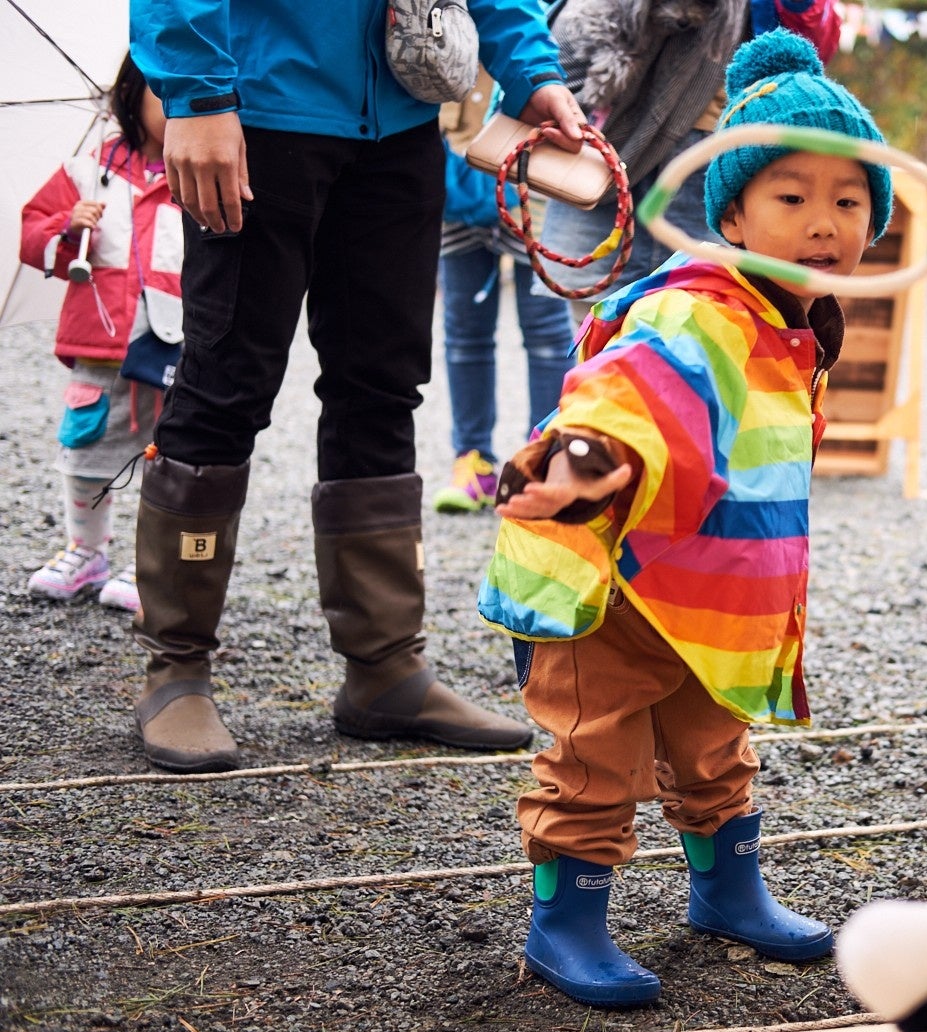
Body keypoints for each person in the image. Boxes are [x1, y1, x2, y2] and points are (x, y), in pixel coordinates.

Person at [475, 29, 893, 1005]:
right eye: (792, 198)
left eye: (847, 200)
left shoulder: (792, 318)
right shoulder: (697, 306)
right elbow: (628, 391)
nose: (824, 221)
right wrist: (587, 462)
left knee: (713, 745)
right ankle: (564, 926)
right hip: (618, 585)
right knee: (593, 755)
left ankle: (727, 890)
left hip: (706, 593)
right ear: (734, 217)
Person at [126, 0, 588, 774]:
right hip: (255, 111)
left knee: (383, 384)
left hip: (400, 122)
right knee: (223, 384)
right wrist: (198, 96)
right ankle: (175, 669)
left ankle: (384, 667)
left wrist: (531, 70)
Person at [536, 0, 841, 321]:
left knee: (708, 316)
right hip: (616, 129)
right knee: (596, 317)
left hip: (716, 149)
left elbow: (813, 42)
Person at [20, 55, 177, 617]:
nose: (177, 104)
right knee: (85, 453)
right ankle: (87, 551)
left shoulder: (197, 172)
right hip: (101, 343)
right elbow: (32, 233)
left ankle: (150, 562)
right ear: (131, 95)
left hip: (170, 348)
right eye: (165, 91)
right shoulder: (87, 173)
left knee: (170, 458)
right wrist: (66, 229)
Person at [432, 79, 578, 514]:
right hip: (456, 168)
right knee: (463, 332)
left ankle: (544, 462)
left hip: (536, 177)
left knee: (549, 333)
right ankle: (472, 461)